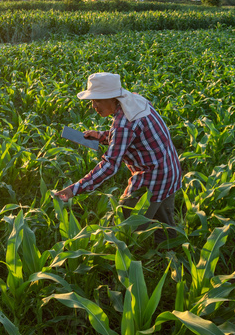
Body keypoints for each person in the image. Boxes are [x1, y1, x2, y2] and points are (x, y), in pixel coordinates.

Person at [55, 72, 182, 234]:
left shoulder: (123, 124)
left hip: (151, 180)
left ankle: (129, 256)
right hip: (170, 170)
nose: (94, 106)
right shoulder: (136, 100)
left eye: (98, 100)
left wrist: (74, 189)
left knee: (123, 230)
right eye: (92, 100)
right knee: (165, 227)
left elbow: (110, 166)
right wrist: (101, 136)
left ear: (113, 97)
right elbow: (133, 135)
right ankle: (170, 252)